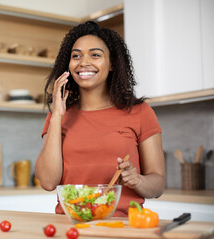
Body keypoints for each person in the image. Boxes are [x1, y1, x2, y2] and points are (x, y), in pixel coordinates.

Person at [35, 20, 166, 217]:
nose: (83, 62)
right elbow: (47, 182)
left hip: (124, 227)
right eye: (76, 56)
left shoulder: (140, 112)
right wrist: (57, 116)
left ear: (112, 63)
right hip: (71, 227)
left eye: (95, 55)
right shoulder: (58, 116)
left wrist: (138, 180)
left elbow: (158, 184)